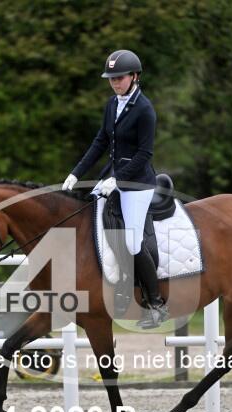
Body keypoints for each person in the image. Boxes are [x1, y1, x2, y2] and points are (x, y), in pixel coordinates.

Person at [62, 49, 168, 329]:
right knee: (90, 223)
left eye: (119, 78)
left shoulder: (145, 109)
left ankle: (156, 303)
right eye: (111, 79)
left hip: (137, 184)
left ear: (134, 76)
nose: (115, 83)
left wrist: (118, 179)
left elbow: (145, 154)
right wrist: (76, 172)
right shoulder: (112, 104)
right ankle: (115, 287)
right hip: (111, 178)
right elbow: (100, 141)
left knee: (132, 242)